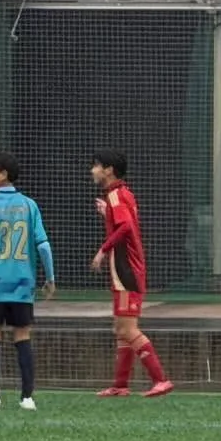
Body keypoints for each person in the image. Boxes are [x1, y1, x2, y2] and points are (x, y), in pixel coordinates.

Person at [0, 151, 56, 411]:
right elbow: (44, 246)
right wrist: (50, 277)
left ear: (3, 174)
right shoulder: (29, 205)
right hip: (22, 283)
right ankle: (27, 397)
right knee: (22, 335)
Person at [90, 149, 172, 398]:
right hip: (124, 270)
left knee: (128, 328)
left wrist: (102, 250)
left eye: (96, 166)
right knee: (120, 328)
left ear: (109, 170)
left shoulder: (116, 194)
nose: (92, 170)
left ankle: (161, 379)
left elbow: (125, 227)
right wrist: (108, 214)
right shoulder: (119, 195)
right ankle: (121, 385)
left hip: (126, 272)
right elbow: (126, 223)